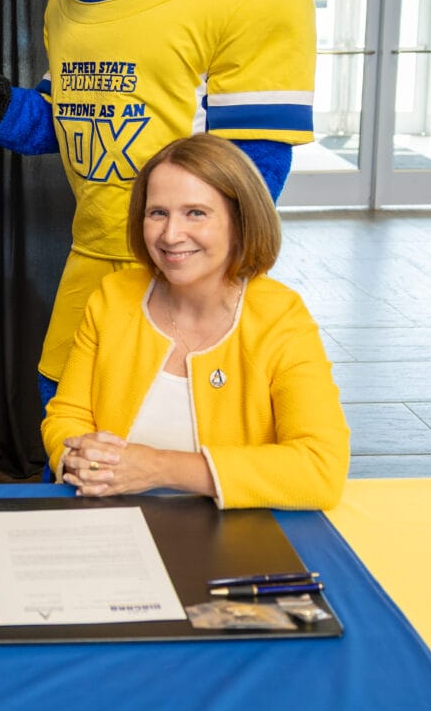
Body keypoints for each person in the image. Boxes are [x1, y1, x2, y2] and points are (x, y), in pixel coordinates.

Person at [42, 135, 349, 510]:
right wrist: (76, 460)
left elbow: (321, 469)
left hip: (238, 539)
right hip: (110, 522)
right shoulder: (112, 297)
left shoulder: (280, 316)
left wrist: (157, 468)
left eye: (196, 213)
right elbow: (67, 416)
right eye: (158, 213)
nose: (171, 235)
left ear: (240, 221)